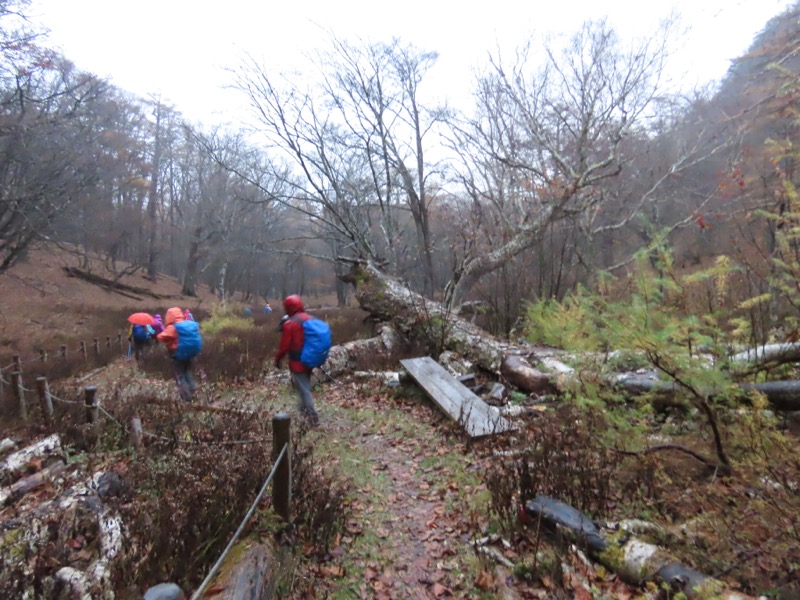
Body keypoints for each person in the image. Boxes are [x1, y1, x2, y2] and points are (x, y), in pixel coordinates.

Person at [274, 294, 319, 426]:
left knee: (304, 389)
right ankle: (302, 413)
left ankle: (313, 417)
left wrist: (277, 359)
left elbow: (284, 346)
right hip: (310, 360)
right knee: (303, 387)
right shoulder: (310, 319)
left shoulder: (290, 323)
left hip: (297, 362)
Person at [157, 307, 199, 402]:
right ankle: (194, 392)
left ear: (169, 316)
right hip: (189, 353)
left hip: (177, 353)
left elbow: (161, 337)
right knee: (187, 372)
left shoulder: (172, 327)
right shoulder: (185, 324)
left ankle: (187, 398)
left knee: (180, 375)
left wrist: (160, 334)